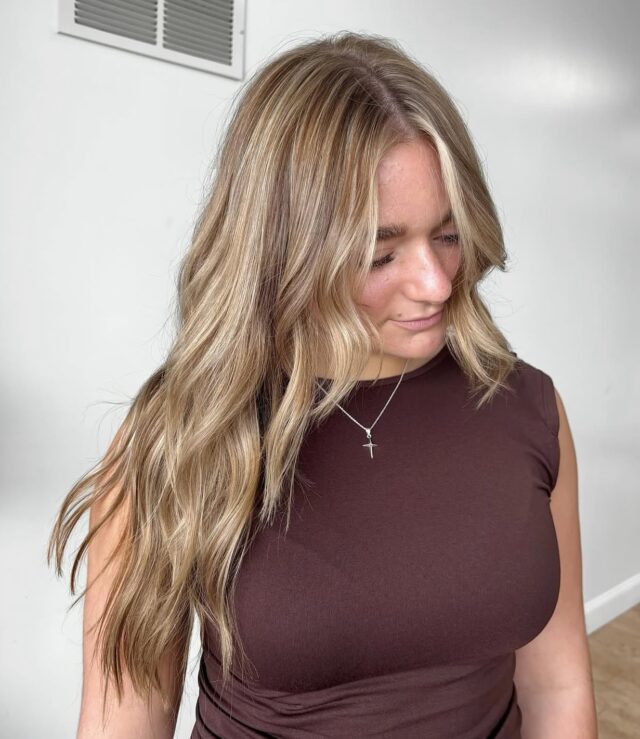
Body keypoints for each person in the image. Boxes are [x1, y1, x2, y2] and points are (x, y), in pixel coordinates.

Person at [47, 30, 597, 739]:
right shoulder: (179, 436)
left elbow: (557, 687)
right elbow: (120, 725)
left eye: (448, 234)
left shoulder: (528, 409)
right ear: (283, 252)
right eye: (380, 252)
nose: (435, 283)